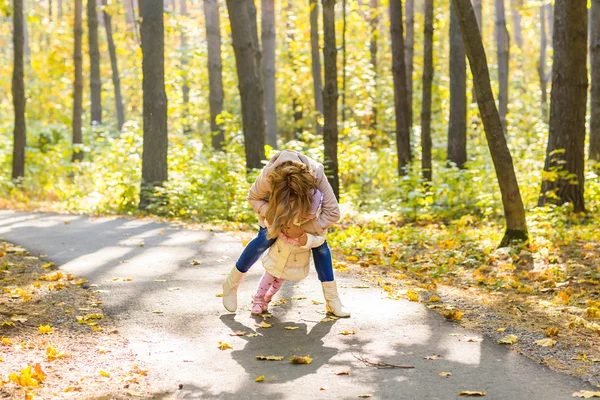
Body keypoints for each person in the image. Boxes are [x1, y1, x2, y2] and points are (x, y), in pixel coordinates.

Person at [222, 150, 350, 317]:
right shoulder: (269, 177)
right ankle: (231, 285)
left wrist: (302, 231)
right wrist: (277, 217)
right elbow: (253, 198)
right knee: (263, 240)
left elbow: (333, 212)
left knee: (321, 248)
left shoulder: (316, 173)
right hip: (276, 216)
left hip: (305, 219)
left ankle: (332, 301)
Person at [250, 223, 326, 315]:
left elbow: (320, 237)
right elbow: (272, 219)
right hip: (279, 251)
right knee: (269, 275)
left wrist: (302, 235)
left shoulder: (313, 219)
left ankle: (267, 298)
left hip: (294, 256)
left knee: (279, 280)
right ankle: (258, 298)